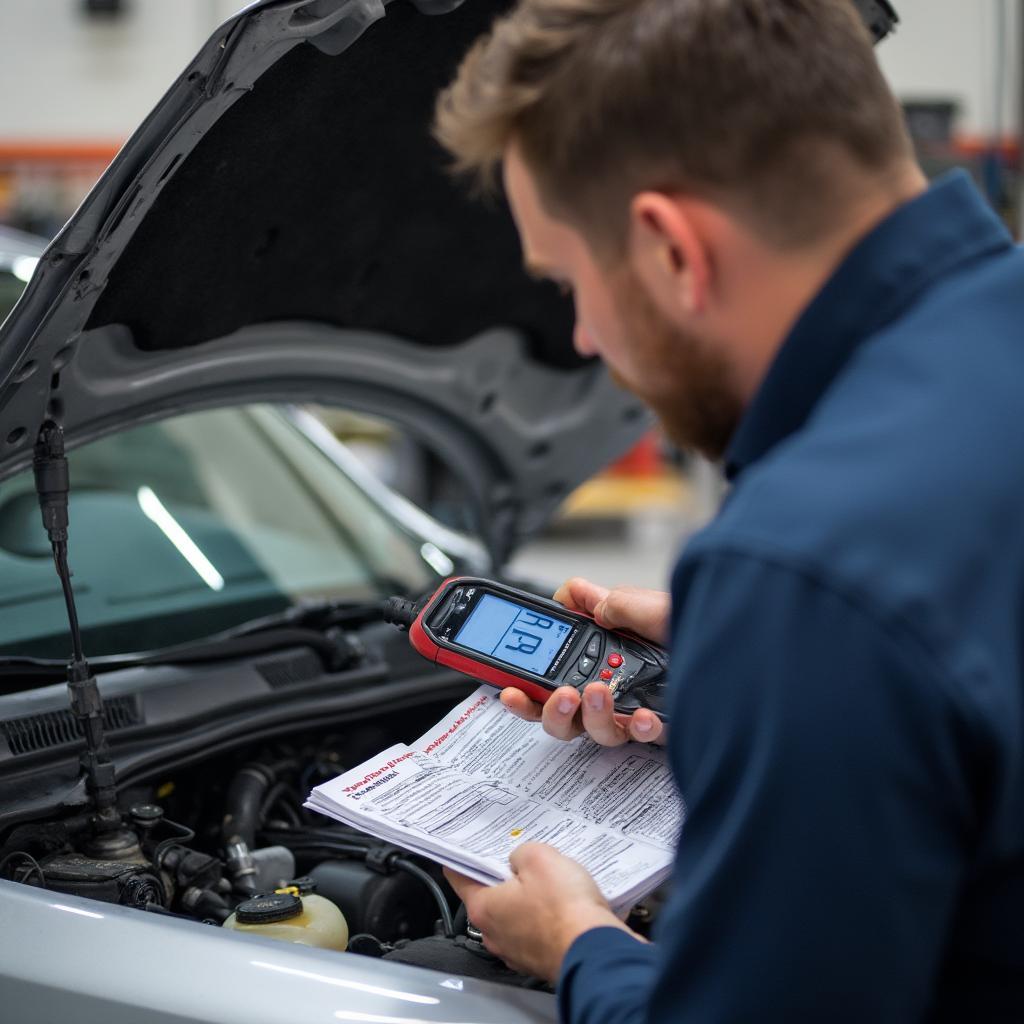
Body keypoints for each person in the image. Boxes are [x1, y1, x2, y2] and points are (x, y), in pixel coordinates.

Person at [431, 0, 1024, 1020]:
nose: (579, 336)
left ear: (669, 249)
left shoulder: (804, 571)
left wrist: (581, 946)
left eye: (569, 278)